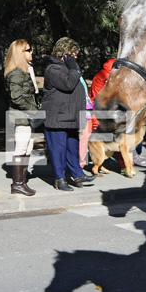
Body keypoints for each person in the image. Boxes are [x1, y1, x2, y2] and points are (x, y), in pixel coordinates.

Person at [42, 37, 95, 191]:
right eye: (73, 53)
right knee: (58, 149)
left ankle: (77, 174)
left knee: (72, 146)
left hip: (70, 116)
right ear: (65, 54)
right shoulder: (53, 69)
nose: (76, 57)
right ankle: (59, 179)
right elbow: (68, 84)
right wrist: (73, 67)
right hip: (57, 117)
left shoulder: (69, 67)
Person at [4, 39, 39, 196]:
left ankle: (21, 181)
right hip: (22, 115)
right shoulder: (17, 72)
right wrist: (34, 111)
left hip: (26, 114)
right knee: (22, 147)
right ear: (20, 53)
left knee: (27, 147)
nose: (31, 52)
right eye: (28, 50)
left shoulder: (24, 70)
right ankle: (17, 183)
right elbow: (16, 97)